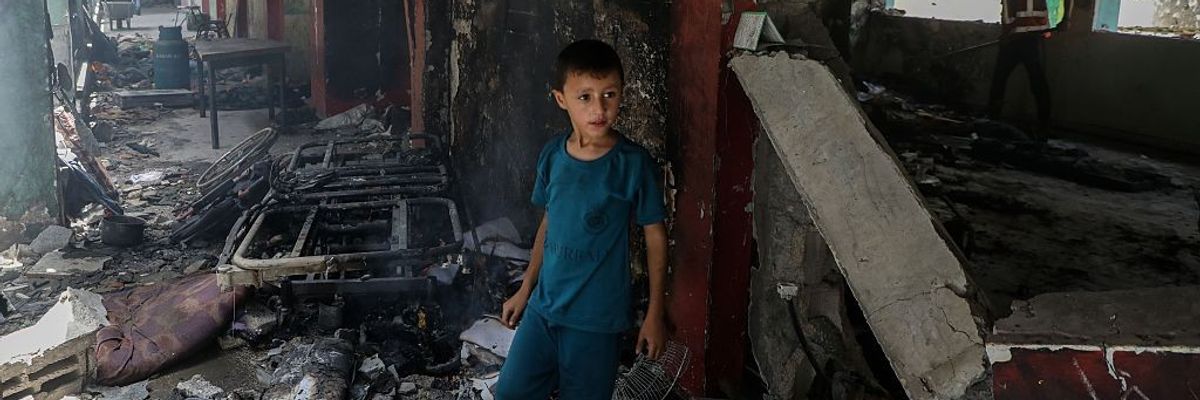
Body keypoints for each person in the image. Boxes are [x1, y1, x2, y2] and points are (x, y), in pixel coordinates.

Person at [493, 39, 669, 400]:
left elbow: (655, 236)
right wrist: (525, 289)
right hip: (544, 309)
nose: (599, 108)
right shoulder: (552, 157)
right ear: (561, 99)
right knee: (510, 392)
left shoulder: (633, 165)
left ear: (622, 93)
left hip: (595, 321)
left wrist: (655, 312)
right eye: (584, 96)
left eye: (609, 94)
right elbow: (548, 224)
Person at [988, 0, 1069, 138]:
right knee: (1036, 83)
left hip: (1020, 38)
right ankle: (1043, 126)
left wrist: (1006, 34)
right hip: (1029, 37)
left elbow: (1009, 16)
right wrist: (1065, 19)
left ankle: (992, 122)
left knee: (1001, 81)